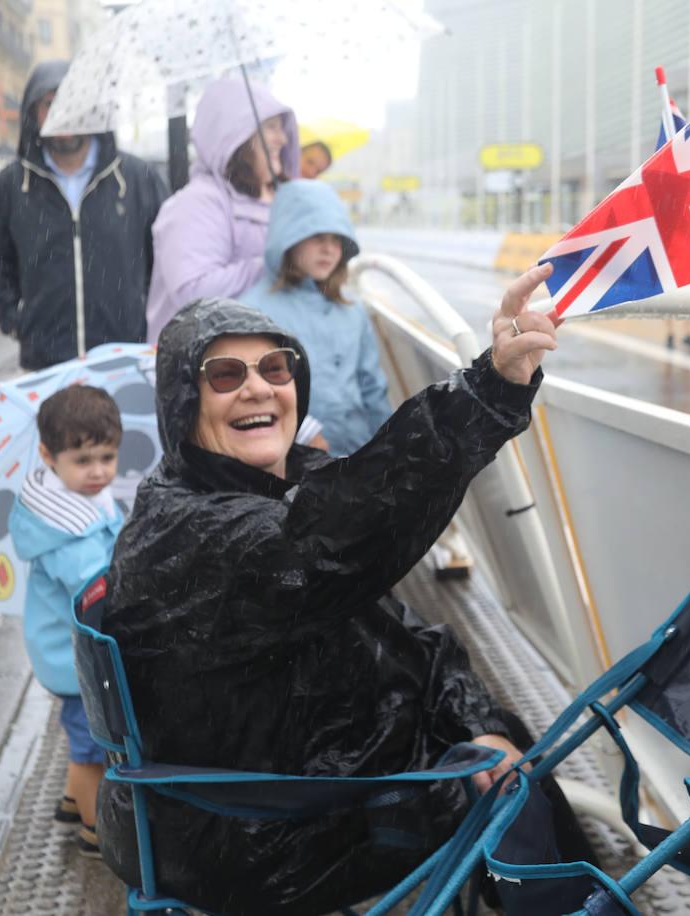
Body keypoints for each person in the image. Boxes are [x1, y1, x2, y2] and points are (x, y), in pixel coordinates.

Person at [97, 267, 591, 914]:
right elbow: (339, 535)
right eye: (225, 375)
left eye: (276, 369)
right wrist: (488, 388)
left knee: (507, 751)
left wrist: (477, 723)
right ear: (182, 404)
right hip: (261, 836)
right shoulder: (190, 531)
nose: (257, 388)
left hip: (284, 784)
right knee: (517, 792)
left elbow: (407, 635)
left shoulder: (276, 487)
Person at [0, 59, 169, 372]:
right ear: (33, 113)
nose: (62, 113)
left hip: (125, 358)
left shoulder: (137, 179)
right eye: (50, 104)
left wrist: (143, 313)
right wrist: (17, 321)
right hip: (47, 362)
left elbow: (165, 261)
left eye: (72, 102)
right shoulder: (12, 185)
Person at [9, 385, 125, 859]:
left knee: (84, 735)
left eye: (107, 456)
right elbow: (95, 586)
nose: (98, 471)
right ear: (47, 455)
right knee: (91, 746)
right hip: (75, 660)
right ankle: (97, 832)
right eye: (83, 460)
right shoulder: (66, 529)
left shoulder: (80, 502)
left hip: (71, 651)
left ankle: (71, 798)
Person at [238, 179, 391, 455]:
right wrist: (303, 431)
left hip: (358, 456)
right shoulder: (253, 311)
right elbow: (251, 394)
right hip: (293, 463)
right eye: (317, 237)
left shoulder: (353, 310)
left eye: (337, 240)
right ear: (289, 238)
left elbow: (372, 388)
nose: (329, 249)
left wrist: (391, 449)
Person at [144, 79, 299, 343]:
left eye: (282, 128)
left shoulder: (286, 199)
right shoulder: (195, 204)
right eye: (271, 127)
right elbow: (195, 294)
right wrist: (278, 265)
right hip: (203, 368)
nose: (282, 138)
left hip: (268, 363)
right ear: (235, 135)